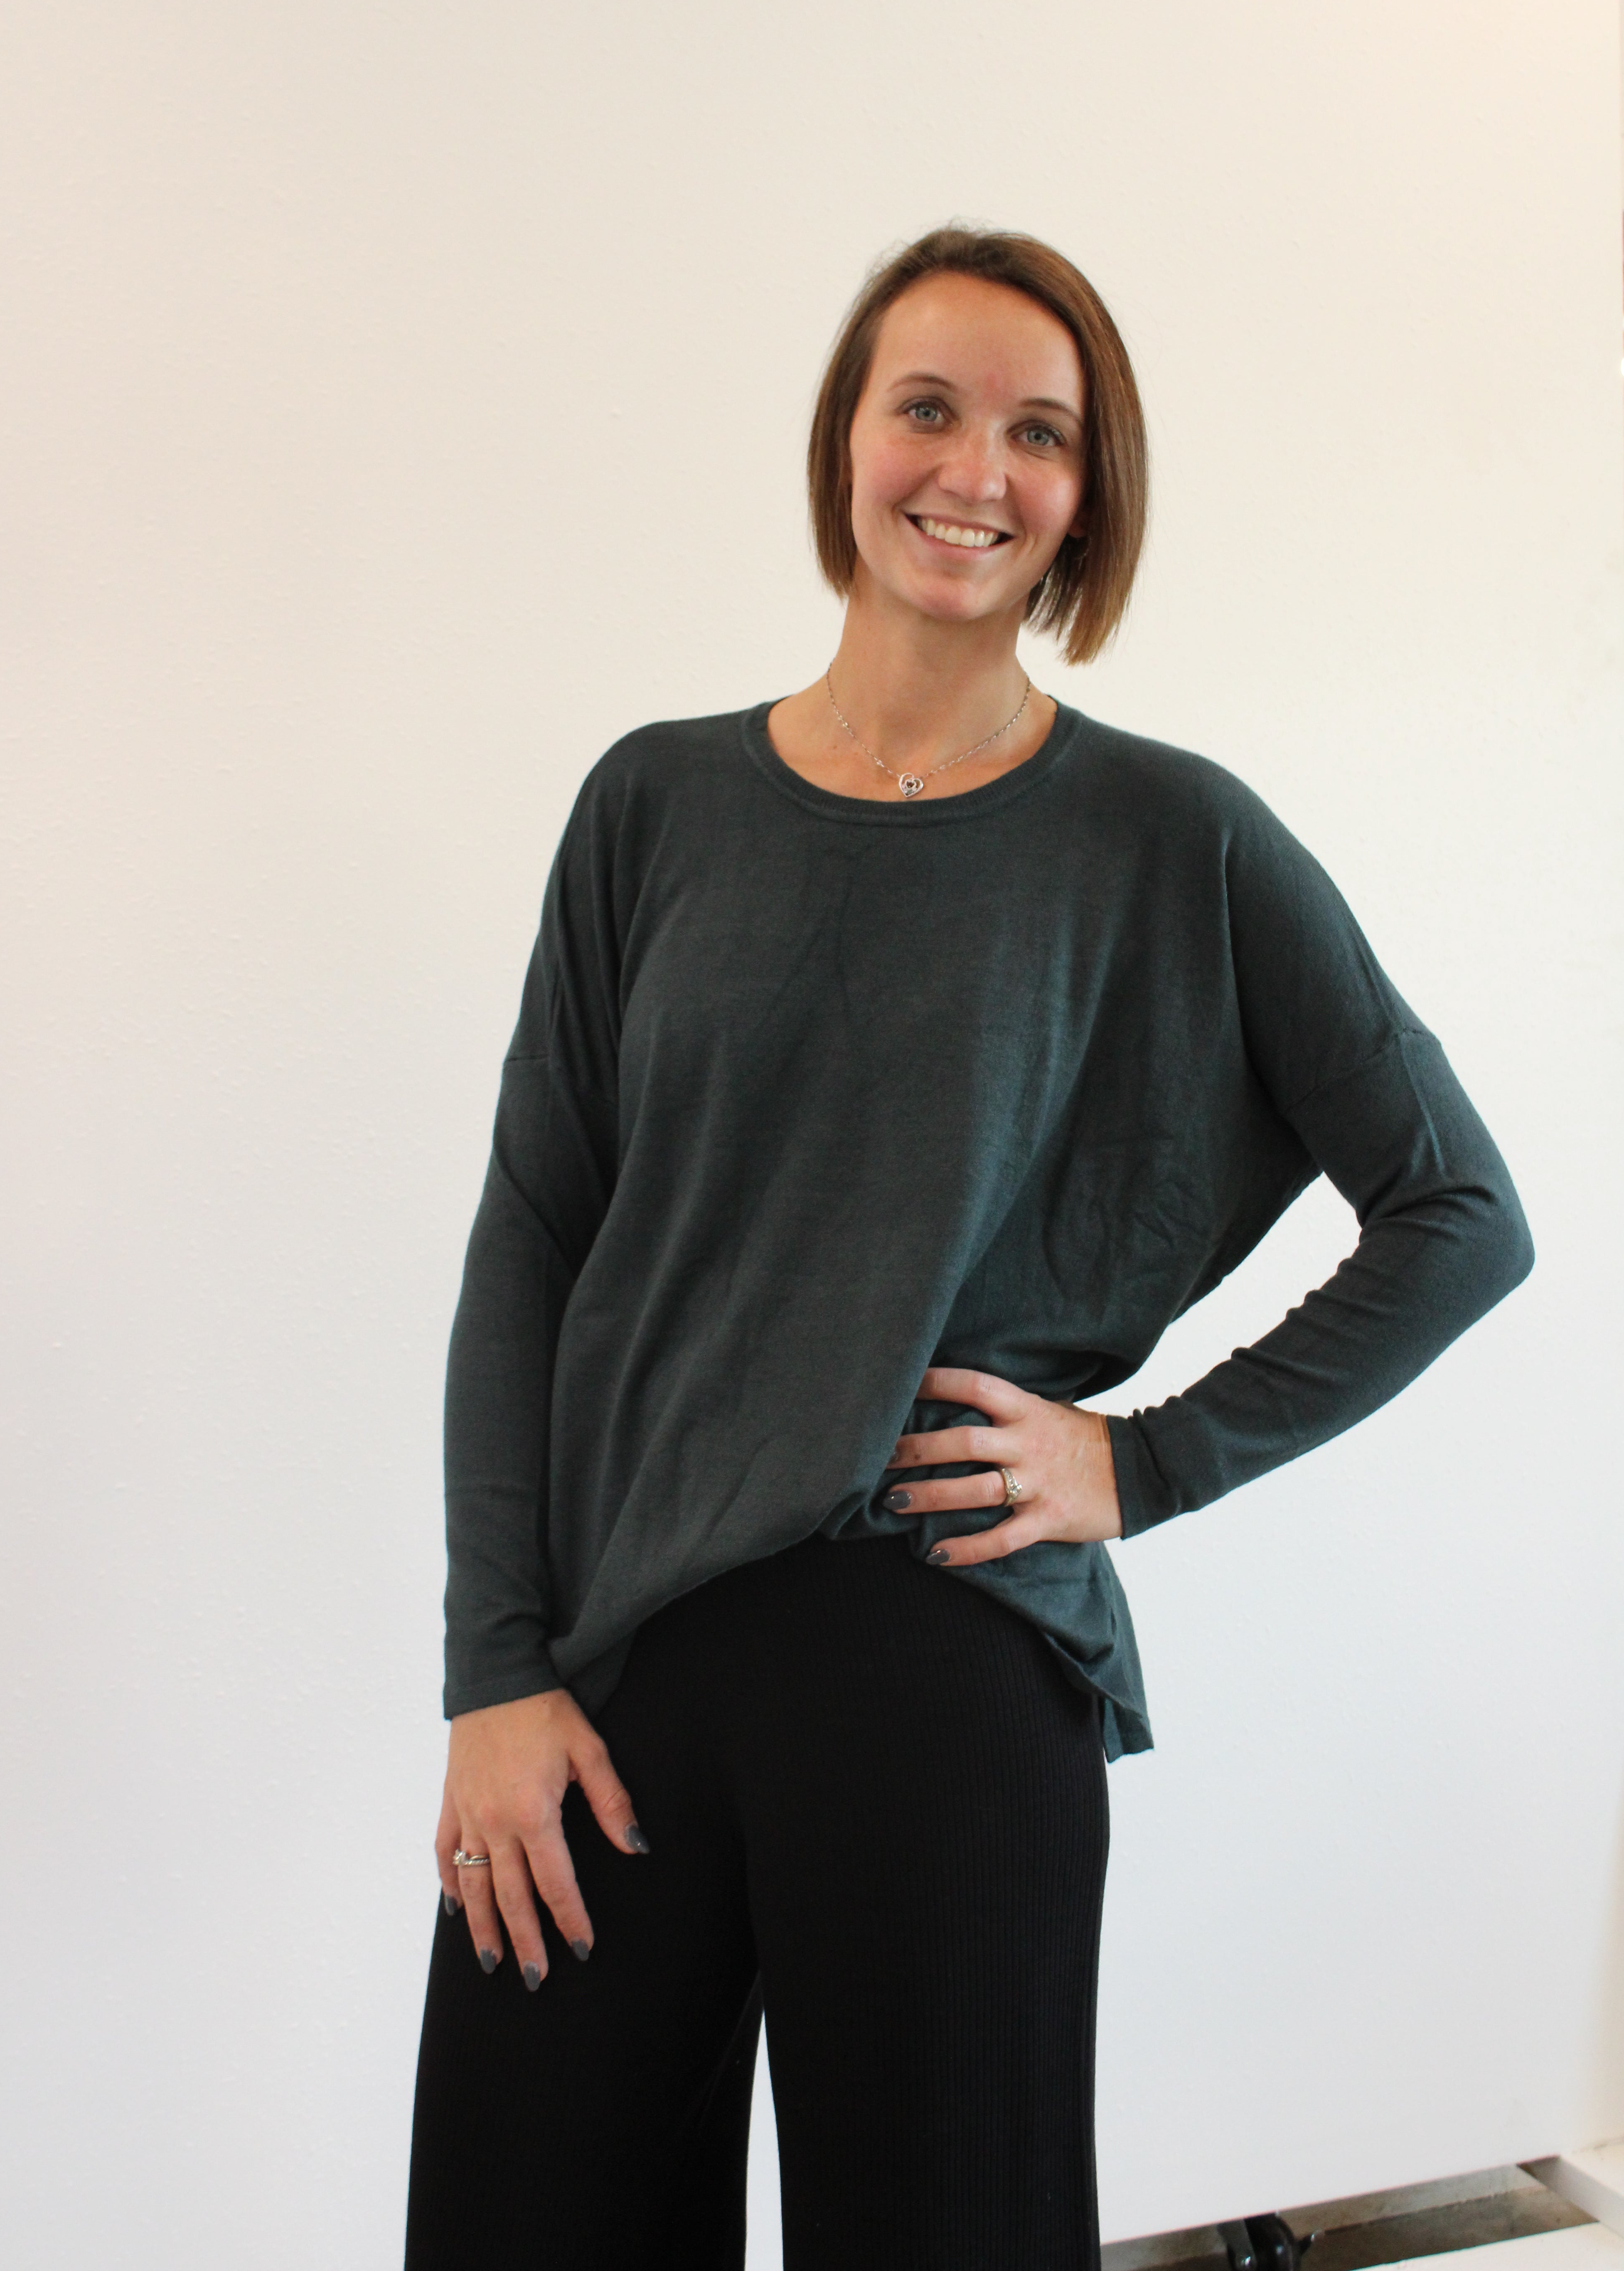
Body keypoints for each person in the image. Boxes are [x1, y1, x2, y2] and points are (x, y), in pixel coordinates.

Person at [403, 226, 1533, 2271]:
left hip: (945, 1663)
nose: (975, 471)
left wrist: (1139, 1462)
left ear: (1088, 496)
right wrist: (494, 1668)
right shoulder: (653, 805)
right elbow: (532, 1245)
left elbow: (1460, 1211)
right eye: (925, 407)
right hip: (614, 1676)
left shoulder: (1169, 838)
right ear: (844, 440)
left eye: (1041, 434)